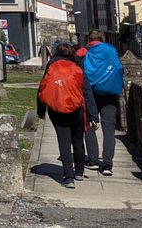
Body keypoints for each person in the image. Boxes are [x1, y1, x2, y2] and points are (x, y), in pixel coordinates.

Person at [37, 43, 98, 188]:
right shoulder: (77, 68)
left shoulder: (51, 66)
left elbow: (43, 87)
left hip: (57, 109)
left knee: (64, 142)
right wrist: (92, 115)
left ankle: (68, 177)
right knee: (78, 140)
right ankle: (79, 171)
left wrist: (41, 110)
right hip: (77, 109)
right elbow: (87, 92)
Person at [82, 30, 124, 176]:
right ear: (102, 39)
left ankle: (93, 161)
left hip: (91, 94)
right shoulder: (111, 49)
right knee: (109, 131)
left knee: (89, 126)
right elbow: (119, 67)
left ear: (89, 39)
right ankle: (107, 165)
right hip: (110, 94)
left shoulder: (85, 52)